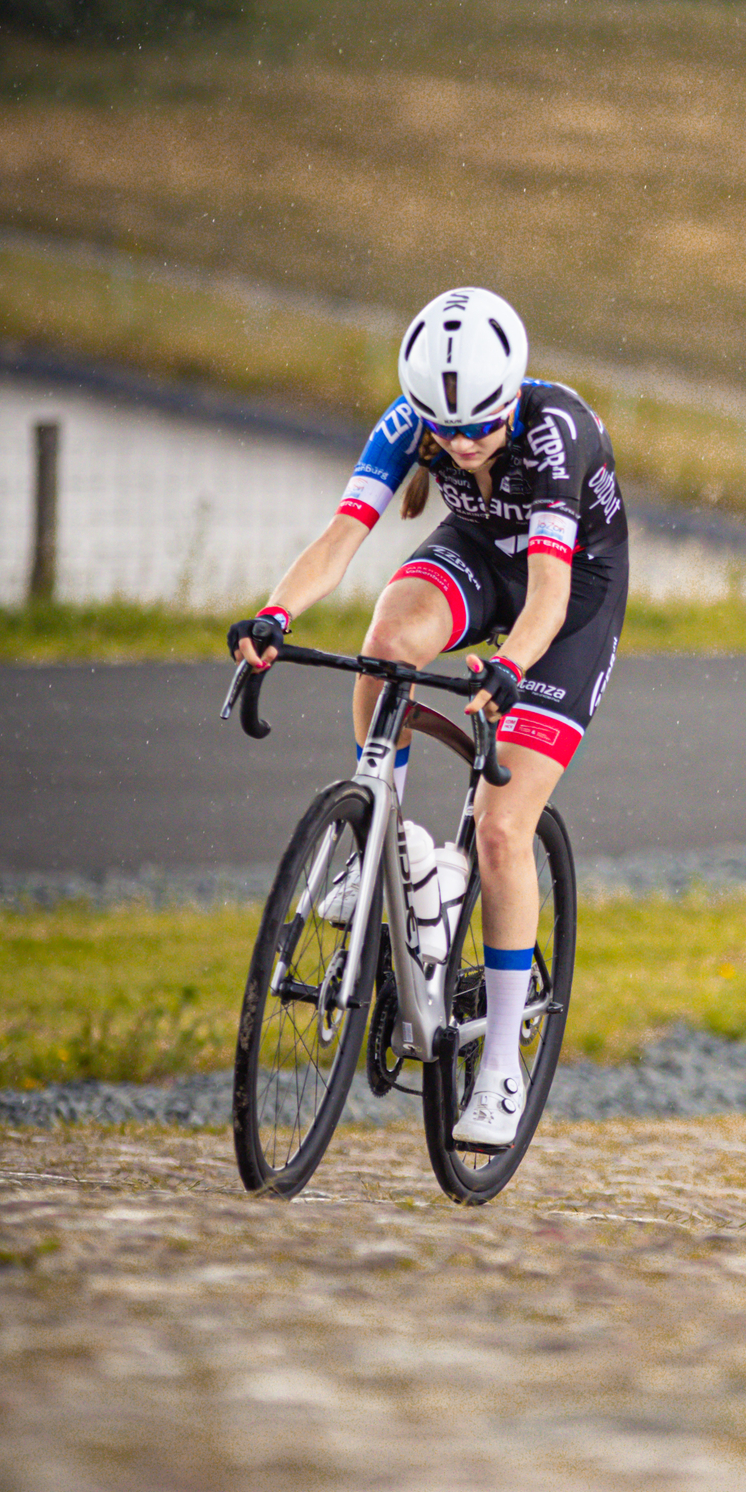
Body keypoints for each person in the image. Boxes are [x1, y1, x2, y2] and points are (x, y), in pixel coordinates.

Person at [231, 285, 628, 1148]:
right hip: (485, 557)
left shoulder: (558, 436)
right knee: (388, 640)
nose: (458, 444)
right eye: (441, 430)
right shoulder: (410, 423)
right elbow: (342, 538)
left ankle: (500, 1072)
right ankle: (385, 832)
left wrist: (510, 667)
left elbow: (552, 594)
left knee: (500, 827)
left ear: (511, 397)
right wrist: (275, 617)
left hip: (570, 597)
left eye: (478, 428)